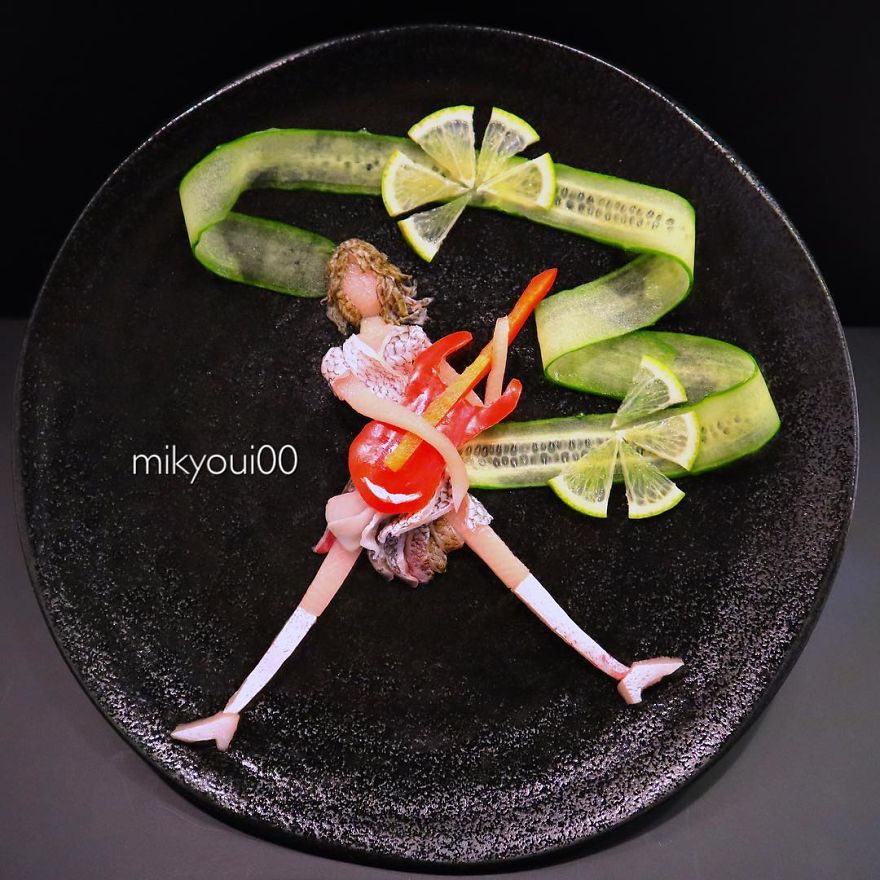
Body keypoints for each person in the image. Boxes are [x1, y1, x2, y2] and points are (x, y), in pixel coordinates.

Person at [171, 241, 682, 751]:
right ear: (339, 294)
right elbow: (375, 407)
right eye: (348, 276)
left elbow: (474, 409)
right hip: (381, 471)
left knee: (506, 562)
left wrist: (499, 351)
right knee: (323, 585)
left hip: (431, 474)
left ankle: (619, 670)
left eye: (368, 271)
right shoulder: (340, 358)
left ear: (385, 279)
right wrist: (442, 447)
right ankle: (233, 708)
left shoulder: (414, 340)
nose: (360, 282)